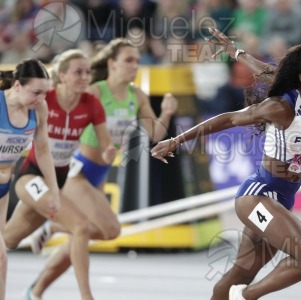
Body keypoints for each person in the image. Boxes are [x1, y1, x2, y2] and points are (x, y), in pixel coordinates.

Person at [152, 28, 301, 299]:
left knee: (240, 273)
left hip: (282, 199)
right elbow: (229, 119)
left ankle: (237, 292)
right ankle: (247, 296)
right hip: (258, 198)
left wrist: (235, 52)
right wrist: (176, 140)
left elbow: (266, 71)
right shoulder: (281, 107)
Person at [28, 38, 178, 298]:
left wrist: (166, 113)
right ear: (112, 63)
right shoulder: (96, 92)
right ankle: (86, 295)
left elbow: (155, 133)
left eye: (137, 61)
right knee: (100, 229)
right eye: (128, 60)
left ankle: (36, 288)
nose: (134, 66)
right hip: (78, 171)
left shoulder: (136, 95)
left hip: (98, 175)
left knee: (94, 232)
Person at [3, 50, 115, 300]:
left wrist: (108, 152)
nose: (85, 77)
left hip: (59, 177)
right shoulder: (43, 98)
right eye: (78, 72)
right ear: (61, 76)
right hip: (30, 175)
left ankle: (32, 290)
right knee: (80, 227)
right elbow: (37, 146)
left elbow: (106, 142)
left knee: (8, 240)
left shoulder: (91, 104)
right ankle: (87, 297)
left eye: (88, 72)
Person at [0, 59, 58, 300]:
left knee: (1, 257)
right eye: (36, 92)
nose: (41, 99)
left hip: (3, 187)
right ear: (17, 85)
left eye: (45, 93)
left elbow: (43, 150)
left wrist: (53, 189)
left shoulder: (39, 110)